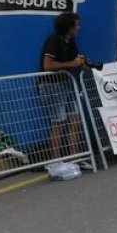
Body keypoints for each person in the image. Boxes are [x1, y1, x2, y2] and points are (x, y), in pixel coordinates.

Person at [40, 12, 86, 160]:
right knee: (58, 123)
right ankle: (56, 159)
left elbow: (79, 60)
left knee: (75, 120)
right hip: (52, 86)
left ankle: (76, 157)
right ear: (69, 27)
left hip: (67, 83)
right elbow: (47, 65)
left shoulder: (71, 42)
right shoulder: (53, 41)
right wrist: (71, 64)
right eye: (76, 25)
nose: (79, 28)